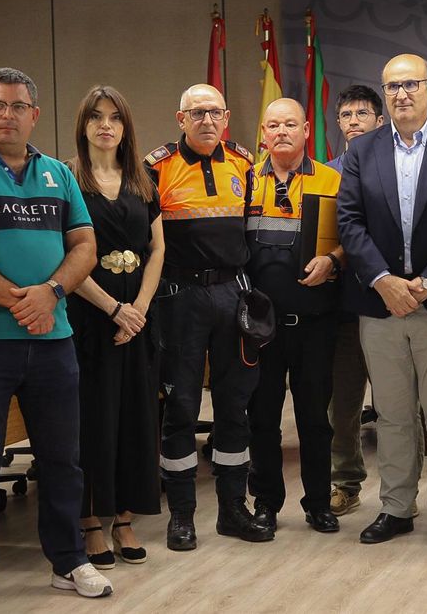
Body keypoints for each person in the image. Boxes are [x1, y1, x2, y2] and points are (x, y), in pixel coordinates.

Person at [0, 67, 112, 612]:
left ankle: (68, 561)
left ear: (34, 114)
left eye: (17, 106)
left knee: (63, 459)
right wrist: (22, 299)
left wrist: (52, 293)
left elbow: (85, 245)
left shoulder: (58, 172)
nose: (7, 114)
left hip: (54, 339)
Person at [337, 53, 427, 544]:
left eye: (410, 84)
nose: (401, 93)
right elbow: (349, 222)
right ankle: (397, 506)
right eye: (392, 86)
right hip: (379, 304)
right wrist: (383, 279)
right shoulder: (361, 151)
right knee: (394, 413)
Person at [145, 84, 272, 551]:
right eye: (197, 113)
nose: (206, 121)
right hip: (180, 299)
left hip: (232, 295)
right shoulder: (156, 168)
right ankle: (181, 515)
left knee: (234, 406)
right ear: (180, 118)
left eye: (214, 113)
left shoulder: (243, 163)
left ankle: (232, 510)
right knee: (179, 409)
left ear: (227, 117)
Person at [64, 86, 164, 568]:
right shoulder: (66, 181)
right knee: (93, 422)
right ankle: (89, 522)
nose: (106, 125)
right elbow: (64, 259)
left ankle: (123, 518)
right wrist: (113, 309)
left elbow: (157, 249)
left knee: (134, 420)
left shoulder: (143, 180)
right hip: (90, 318)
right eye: (96, 117)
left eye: (115, 118)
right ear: (83, 126)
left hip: (138, 320)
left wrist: (138, 309)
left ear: (126, 127)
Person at [245, 98, 344, 534]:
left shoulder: (332, 179)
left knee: (314, 420)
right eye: (273, 125)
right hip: (259, 327)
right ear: (262, 134)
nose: (281, 131)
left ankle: (319, 503)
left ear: (307, 130)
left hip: (315, 323)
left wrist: (335, 260)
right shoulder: (244, 181)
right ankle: (265, 503)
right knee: (263, 420)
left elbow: (351, 236)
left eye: (290, 124)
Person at [326, 84, 383, 516]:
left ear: (379, 121)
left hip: (392, 302)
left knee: (406, 404)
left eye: (362, 113)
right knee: (342, 403)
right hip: (343, 306)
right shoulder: (327, 175)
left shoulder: (396, 168)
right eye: (346, 115)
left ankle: (406, 490)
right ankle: (345, 481)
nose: (354, 121)